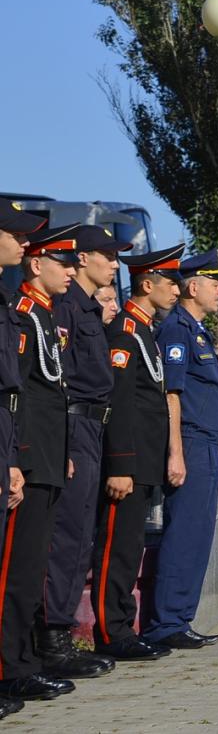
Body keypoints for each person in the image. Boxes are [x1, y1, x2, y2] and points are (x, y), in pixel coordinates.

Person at [39, 223, 129, 680]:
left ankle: (60, 634)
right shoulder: (67, 309)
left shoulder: (89, 310)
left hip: (91, 427)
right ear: (81, 259)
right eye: (106, 255)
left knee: (79, 538)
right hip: (73, 425)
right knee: (67, 537)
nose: (114, 264)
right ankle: (52, 639)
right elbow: (59, 381)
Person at [89, 246, 185, 662]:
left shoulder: (144, 329)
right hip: (129, 461)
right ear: (148, 285)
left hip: (145, 459)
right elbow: (121, 403)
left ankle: (123, 627)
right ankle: (111, 633)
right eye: (171, 283)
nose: (178, 291)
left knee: (129, 548)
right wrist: (122, 463)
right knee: (116, 547)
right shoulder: (125, 332)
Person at [0, 225, 80, 704]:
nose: (70, 271)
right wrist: (21, 456)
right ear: (37, 266)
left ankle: (22, 661)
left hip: (48, 455)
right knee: (17, 568)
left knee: (31, 571)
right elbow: (20, 394)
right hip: (28, 457)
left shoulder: (46, 316)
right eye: (62, 263)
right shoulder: (24, 313)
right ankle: (11, 665)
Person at [140, 251, 218, 649]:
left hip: (205, 442)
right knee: (185, 534)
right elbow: (171, 395)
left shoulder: (194, 329)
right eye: (215, 284)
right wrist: (175, 452)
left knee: (198, 535)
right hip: (191, 443)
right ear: (193, 287)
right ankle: (167, 624)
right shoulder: (177, 330)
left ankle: (180, 619)